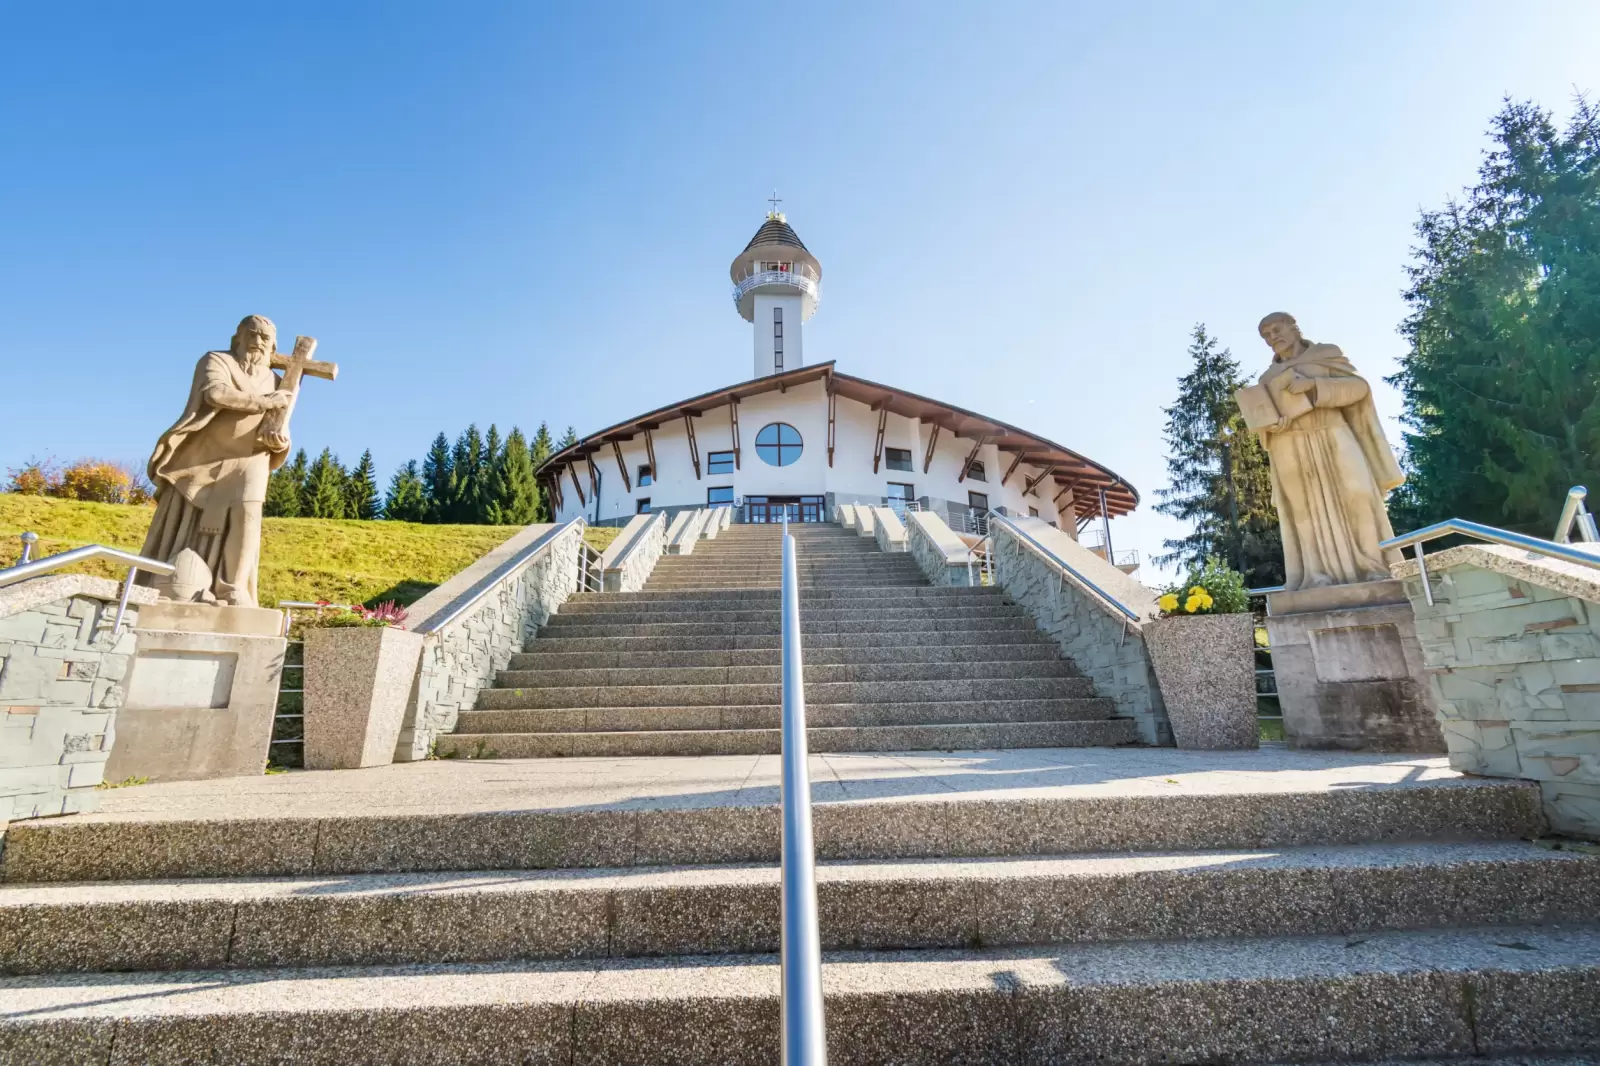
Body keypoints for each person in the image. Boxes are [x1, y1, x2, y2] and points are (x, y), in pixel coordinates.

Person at [139, 314, 293, 607]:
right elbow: (215, 393)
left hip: (251, 458)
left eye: (265, 338)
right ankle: (170, 582)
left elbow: (281, 425)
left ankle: (233, 587)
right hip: (203, 457)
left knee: (248, 516)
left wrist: (281, 441)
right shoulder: (217, 360)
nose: (257, 342)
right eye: (252, 334)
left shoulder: (276, 380)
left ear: (273, 347)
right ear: (238, 337)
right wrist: (265, 401)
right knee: (182, 521)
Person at [1253, 311, 1405, 590]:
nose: (1272, 337)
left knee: (1358, 496)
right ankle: (1316, 575)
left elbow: (1359, 388)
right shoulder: (1268, 377)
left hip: (1334, 432)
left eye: (1276, 329)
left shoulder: (1326, 353)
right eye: (1266, 335)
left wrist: (1314, 386)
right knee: (1303, 511)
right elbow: (1261, 420)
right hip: (1289, 442)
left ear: (1294, 327)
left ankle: (1374, 567)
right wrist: (1271, 426)